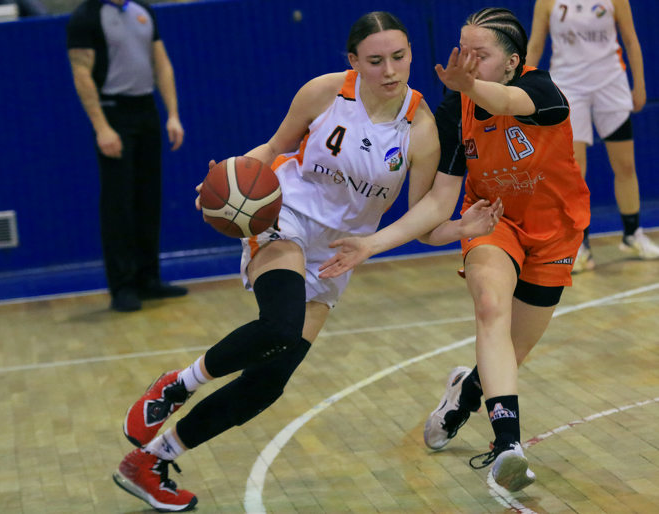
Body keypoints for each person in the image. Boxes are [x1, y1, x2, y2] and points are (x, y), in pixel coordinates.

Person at [110, 11, 502, 511]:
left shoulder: (420, 127)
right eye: (375, 60)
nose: (389, 70)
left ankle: (151, 460)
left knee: (268, 382)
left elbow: (424, 222)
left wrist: (459, 229)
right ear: (353, 60)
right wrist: (227, 181)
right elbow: (274, 148)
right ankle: (176, 387)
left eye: (399, 57)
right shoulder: (323, 92)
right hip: (286, 217)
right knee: (280, 325)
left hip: (339, 251)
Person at [319, 7, 591, 492]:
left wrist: (473, 87)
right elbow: (436, 206)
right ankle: (508, 446)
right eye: (462, 52)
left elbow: (508, 100)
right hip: (492, 221)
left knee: (512, 350)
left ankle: (463, 397)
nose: (466, 62)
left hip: (555, 231)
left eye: (479, 55)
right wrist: (373, 244)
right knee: (491, 307)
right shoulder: (453, 111)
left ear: (511, 62)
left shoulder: (540, 89)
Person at [67, 0, 188, 312]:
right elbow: (81, 73)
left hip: (145, 108)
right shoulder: (86, 17)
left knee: (148, 198)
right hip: (113, 111)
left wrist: (172, 114)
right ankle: (122, 286)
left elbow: (161, 63)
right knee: (118, 203)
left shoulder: (143, 11)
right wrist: (102, 128)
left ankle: (149, 279)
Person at [527, 0, 659, 272]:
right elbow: (535, 45)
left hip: (611, 83)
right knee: (574, 170)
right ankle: (580, 246)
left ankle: (632, 235)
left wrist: (640, 84)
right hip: (569, 86)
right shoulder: (547, 2)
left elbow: (631, 40)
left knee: (625, 165)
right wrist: (523, 89)